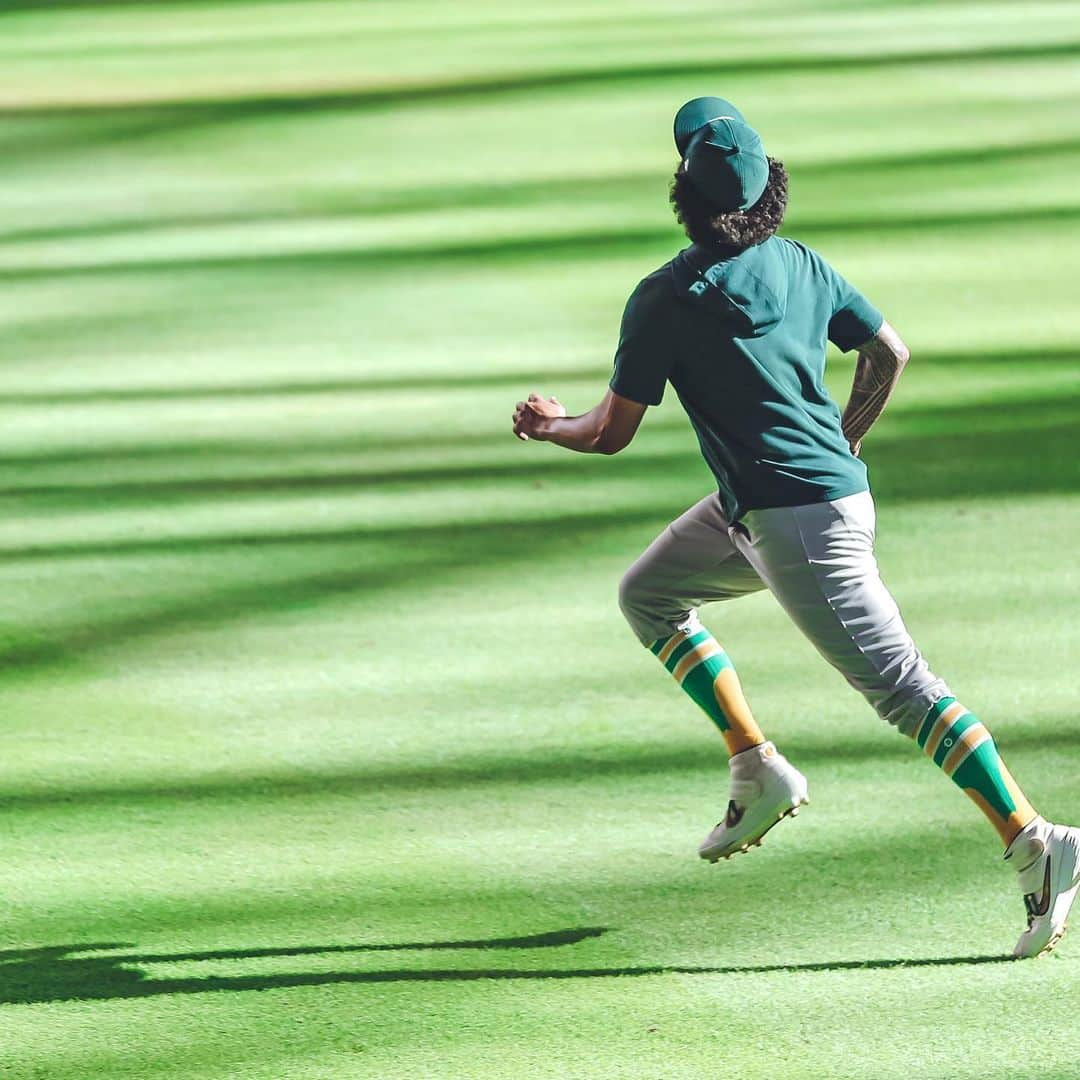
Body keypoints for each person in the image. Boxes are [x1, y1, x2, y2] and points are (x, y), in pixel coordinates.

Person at [511, 96, 1078, 959]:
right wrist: (845, 441)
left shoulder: (664, 298)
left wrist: (547, 423)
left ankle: (1038, 841)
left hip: (799, 528)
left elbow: (609, 432)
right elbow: (890, 351)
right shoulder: (803, 265)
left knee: (905, 690)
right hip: (779, 510)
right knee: (649, 595)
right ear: (770, 189)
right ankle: (757, 767)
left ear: (686, 199)